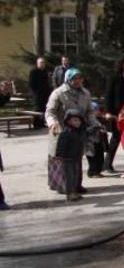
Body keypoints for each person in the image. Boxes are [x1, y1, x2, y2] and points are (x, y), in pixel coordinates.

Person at [45, 68, 102, 196]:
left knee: (76, 158)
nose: (77, 81)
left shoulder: (85, 93)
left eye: (79, 78)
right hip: (61, 132)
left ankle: (76, 184)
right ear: (68, 79)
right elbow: (50, 111)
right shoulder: (58, 93)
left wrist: (95, 123)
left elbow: (89, 112)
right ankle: (60, 184)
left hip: (77, 132)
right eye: (74, 78)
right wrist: (52, 123)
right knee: (59, 159)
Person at [52, 109, 87, 201]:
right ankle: (70, 193)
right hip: (67, 159)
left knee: (76, 175)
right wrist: (59, 156)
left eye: (79, 120)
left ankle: (74, 191)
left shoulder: (79, 132)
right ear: (68, 121)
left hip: (76, 158)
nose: (77, 122)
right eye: (74, 120)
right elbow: (61, 146)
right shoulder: (66, 133)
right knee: (69, 177)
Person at [28, 57, 52, 128]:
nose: (42, 64)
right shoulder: (33, 71)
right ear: (37, 63)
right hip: (37, 94)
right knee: (37, 108)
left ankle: (42, 123)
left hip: (45, 93)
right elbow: (31, 84)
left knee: (44, 108)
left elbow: (47, 83)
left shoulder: (45, 71)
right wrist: (35, 92)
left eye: (43, 63)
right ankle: (36, 124)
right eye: (41, 63)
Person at [85, 102, 107, 178]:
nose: (98, 111)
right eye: (95, 110)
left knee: (100, 157)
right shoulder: (86, 119)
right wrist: (96, 128)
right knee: (93, 158)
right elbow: (86, 130)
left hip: (98, 141)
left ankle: (97, 171)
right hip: (91, 142)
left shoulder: (99, 119)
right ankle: (92, 172)